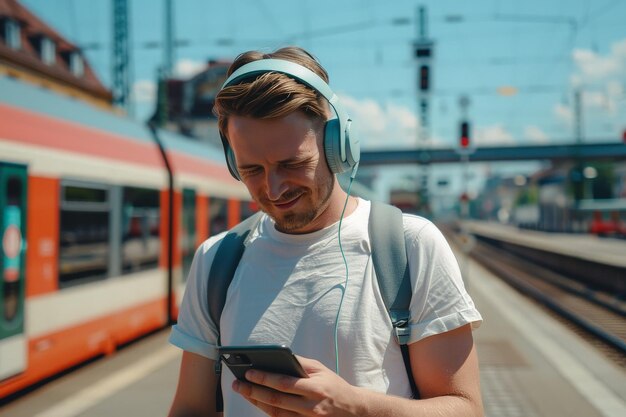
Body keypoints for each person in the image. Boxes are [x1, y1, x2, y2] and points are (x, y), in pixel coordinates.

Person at [168, 46, 484, 417]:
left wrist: (355, 407)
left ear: (337, 146)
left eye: (292, 164)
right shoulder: (216, 260)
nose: (273, 189)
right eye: (252, 170)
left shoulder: (410, 246)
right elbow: (191, 408)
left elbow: (466, 409)